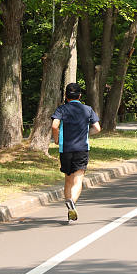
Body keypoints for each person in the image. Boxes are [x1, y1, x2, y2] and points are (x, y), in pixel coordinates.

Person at [51, 82, 101, 223]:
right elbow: (97, 128)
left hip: (65, 149)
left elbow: (55, 125)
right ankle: (72, 202)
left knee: (68, 179)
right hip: (81, 149)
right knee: (78, 179)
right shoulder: (87, 109)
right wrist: (87, 133)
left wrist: (56, 139)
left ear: (66, 96)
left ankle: (69, 206)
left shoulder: (62, 109)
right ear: (80, 95)